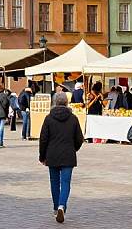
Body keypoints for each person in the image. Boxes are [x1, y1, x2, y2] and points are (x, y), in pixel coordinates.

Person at [39, 92, 84, 224]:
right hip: (68, 155)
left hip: (52, 155)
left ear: (54, 102)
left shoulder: (48, 118)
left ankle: (55, 207)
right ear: (66, 102)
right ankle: (62, 206)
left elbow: (43, 139)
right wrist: (74, 148)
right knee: (65, 182)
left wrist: (42, 155)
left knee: (54, 182)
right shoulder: (73, 118)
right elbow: (79, 138)